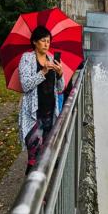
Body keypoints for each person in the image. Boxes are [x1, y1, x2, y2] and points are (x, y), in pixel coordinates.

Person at [18, 26, 65, 175]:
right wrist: (43, 72)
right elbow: (25, 85)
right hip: (33, 116)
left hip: (49, 114)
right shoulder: (26, 58)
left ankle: (40, 191)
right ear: (34, 42)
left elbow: (59, 88)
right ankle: (32, 193)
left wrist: (60, 74)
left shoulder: (52, 59)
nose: (46, 44)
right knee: (34, 157)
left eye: (48, 41)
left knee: (44, 156)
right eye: (43, 41)